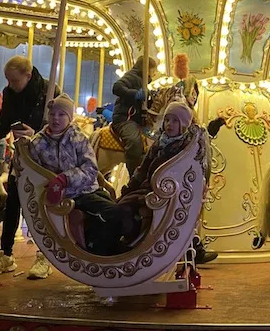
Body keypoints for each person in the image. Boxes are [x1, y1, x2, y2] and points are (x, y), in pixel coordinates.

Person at [0, 56, 59, 277]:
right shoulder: (9, 93)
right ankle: (6, 254)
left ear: (28, 75)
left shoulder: (49, 91)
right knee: (13, 200)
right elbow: (5, 120)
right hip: (22, 156)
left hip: (45, 159)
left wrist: (36, 133)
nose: (10, 85)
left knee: (41, 207)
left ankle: (45, 255)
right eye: (8, 80)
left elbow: (58, 125)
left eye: (14, 80)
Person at [117, 101, 217, 263]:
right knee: (121, 204)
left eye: (175, 121)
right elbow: (144, 168)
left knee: (130, 208)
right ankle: (128, 243)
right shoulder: (160, 142)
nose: (170, 124)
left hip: (168, 192)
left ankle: (133, 246)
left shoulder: (184, 148)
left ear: (184, 124)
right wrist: (130, 187)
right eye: (167, 120)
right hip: (151, 188)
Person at [31, 94, 123, 269]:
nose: (56, 119)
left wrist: (66, 177)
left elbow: (90, 168)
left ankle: (105, 250)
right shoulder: (38, 143)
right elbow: (36, 173)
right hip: (67, 195)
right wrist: (57, 183)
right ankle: (99, 254)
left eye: (61, 114)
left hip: (86, 189)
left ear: (69, 118)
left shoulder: (78, 138)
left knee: (119, 211)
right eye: (52, 114)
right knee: (112, 212)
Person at [111, 56, 157, 176]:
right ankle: (134, 176)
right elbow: (117, 87)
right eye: (153, 71)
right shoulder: (132, 76)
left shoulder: (143, 82)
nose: (154, 74)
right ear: (145, 68)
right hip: (125, 118)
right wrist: (135, 94)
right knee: (134, 142)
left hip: (137, 120)